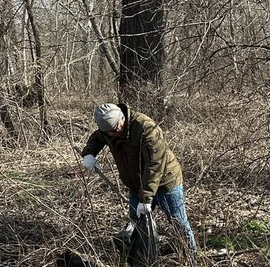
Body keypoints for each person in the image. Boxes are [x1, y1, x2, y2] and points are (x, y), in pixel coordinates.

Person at [80, 103, 197, 257]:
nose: (114, 134)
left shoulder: (146, 128)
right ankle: (142, 261)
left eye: (116, 129)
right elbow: (97, 137)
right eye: (109, 133)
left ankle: (191, 259)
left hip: (165, 183)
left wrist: (146, 198)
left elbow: (155, 164)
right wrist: (89, 153)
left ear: (122, 117)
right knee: (136, 226)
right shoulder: (108, 130)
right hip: (136, 186)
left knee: (179, 223)